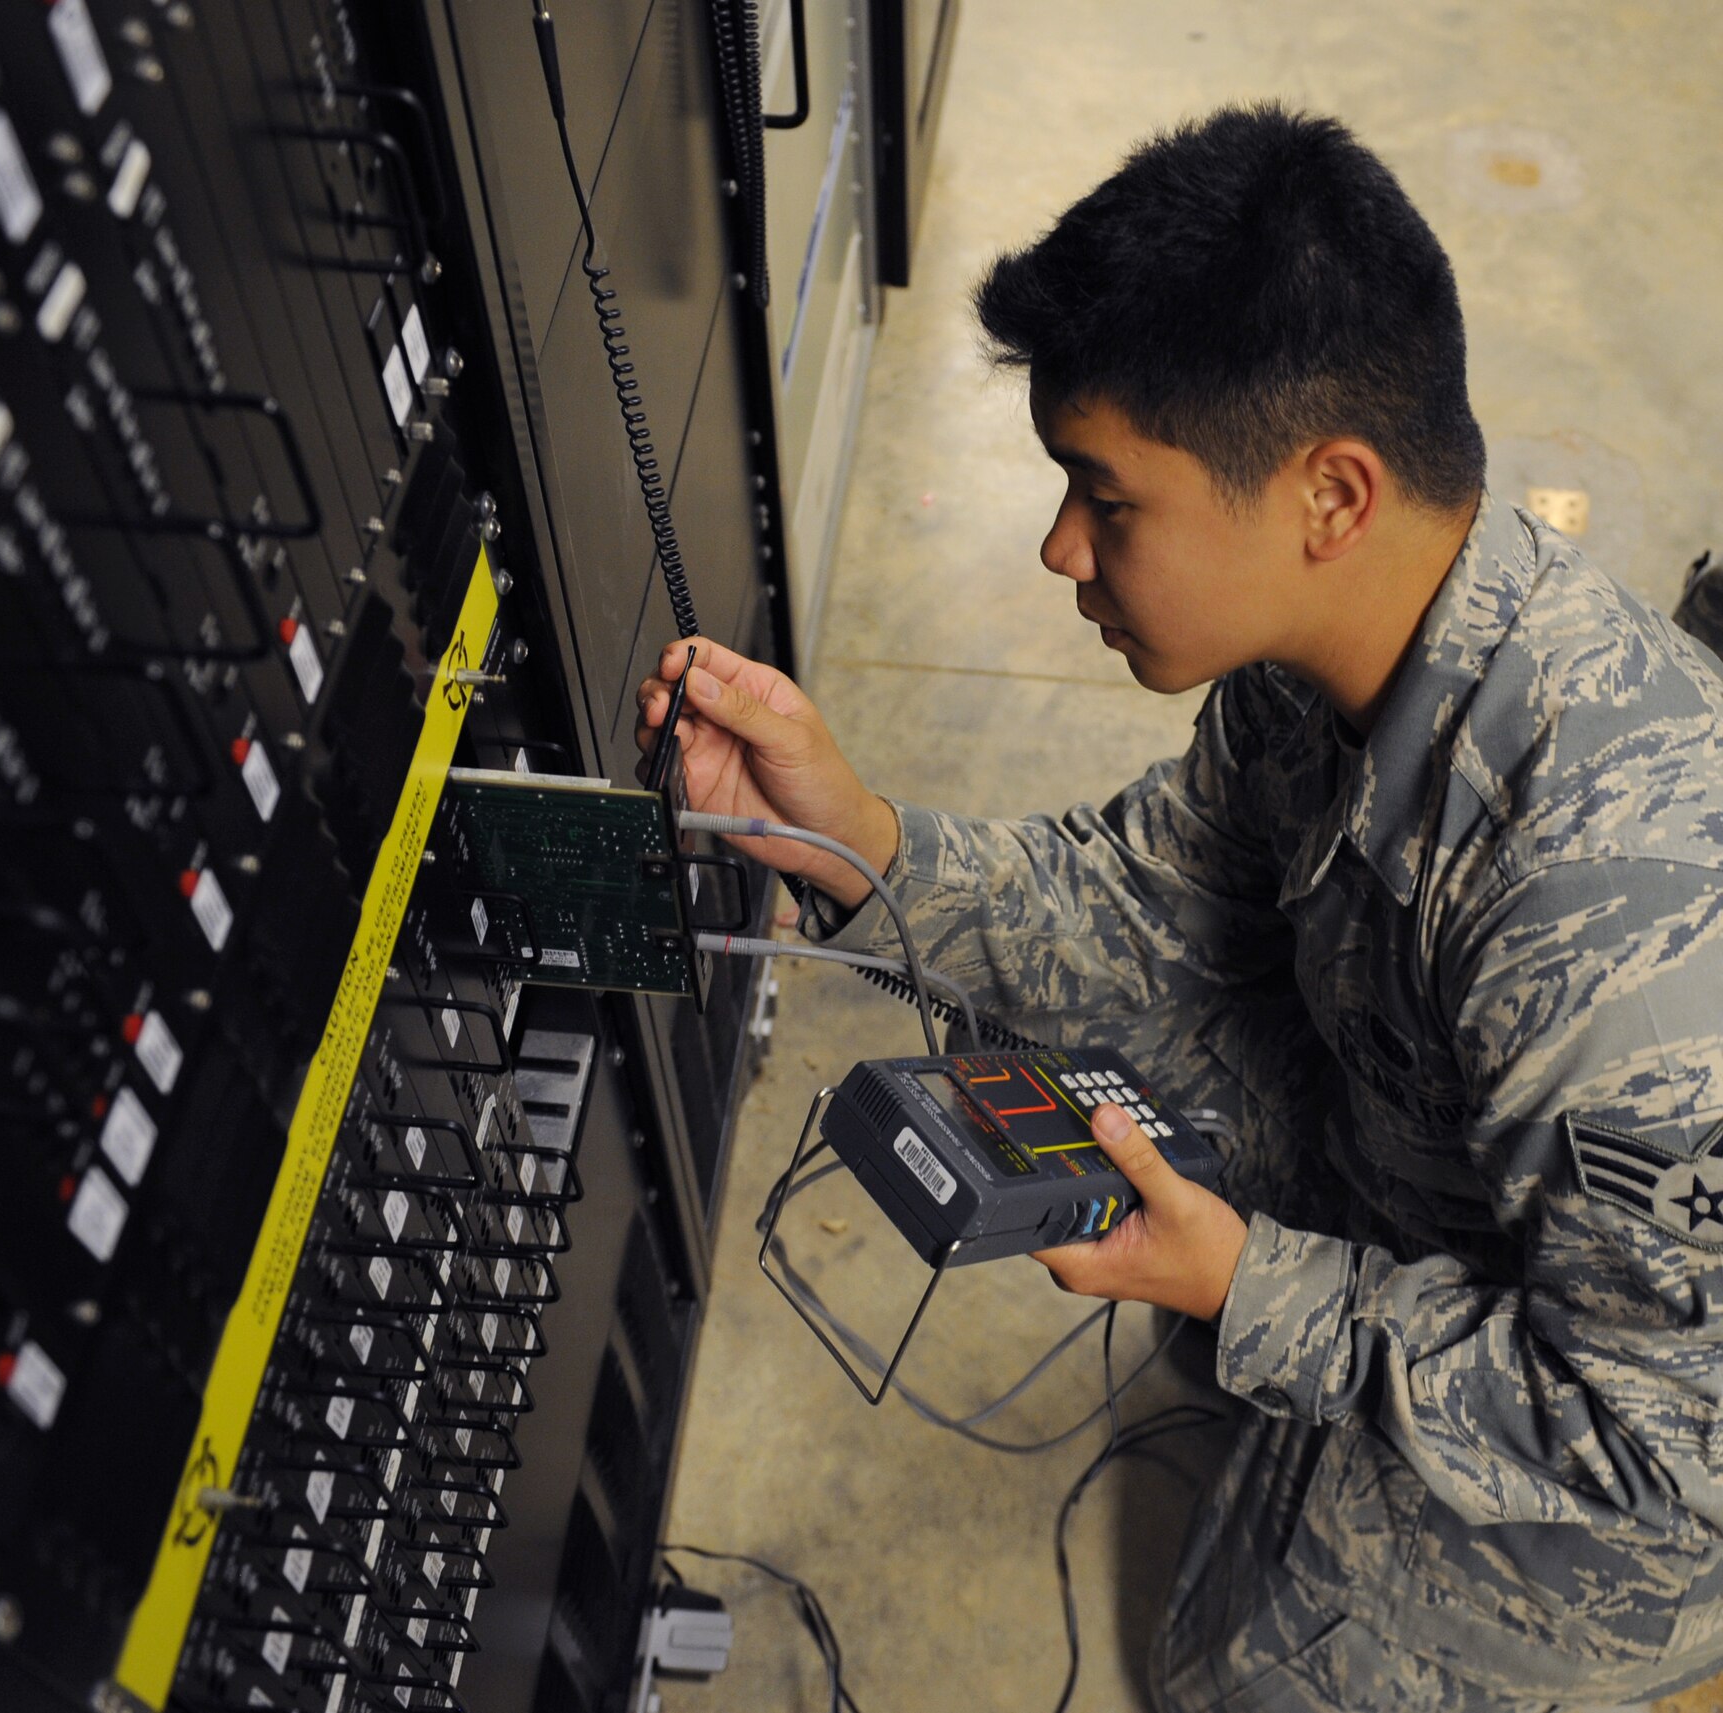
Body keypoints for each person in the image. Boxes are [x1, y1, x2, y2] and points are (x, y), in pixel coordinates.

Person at [635, 105, 1723, 1713]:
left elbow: (1654, 1438)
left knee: (1245, 1678)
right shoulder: (1336, 645)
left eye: (1107, 498)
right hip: (1443, 1185)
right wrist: (856, 842)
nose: (1059, 547)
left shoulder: (1609, 924)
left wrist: (1252, 1286)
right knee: (1094, 1072)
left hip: (1642, 1459)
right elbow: (1145, 905)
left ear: (1332, 494)